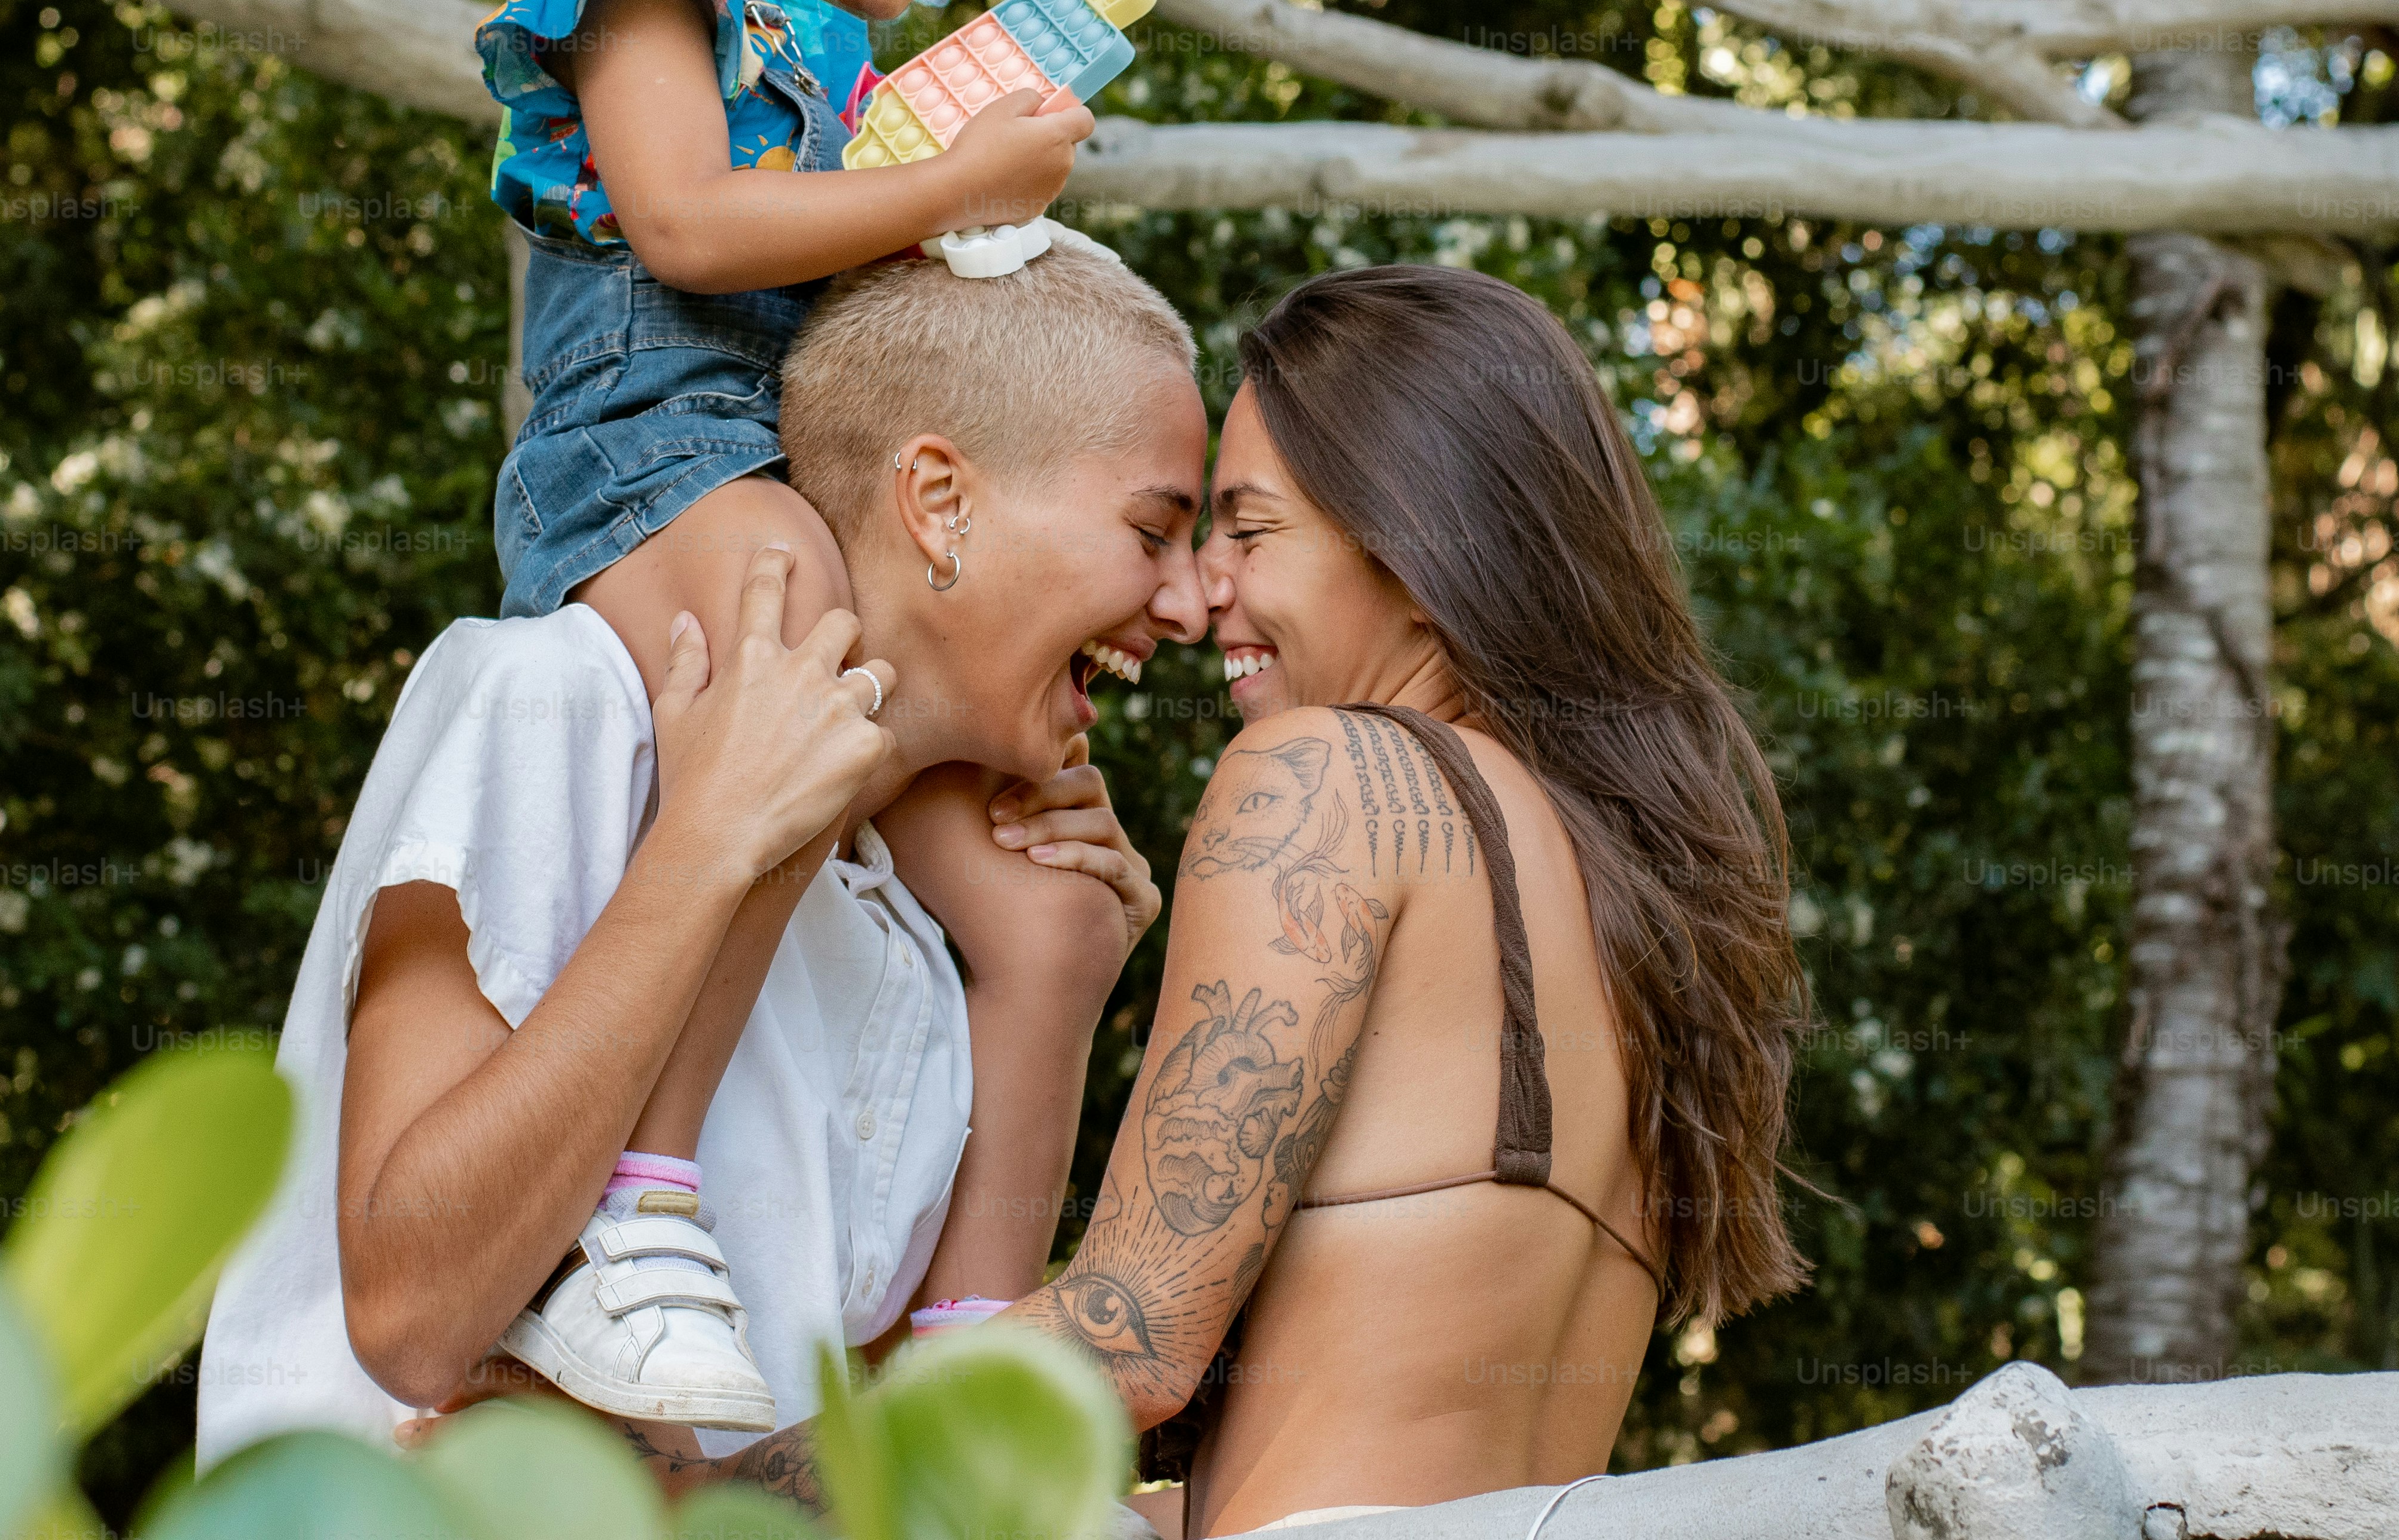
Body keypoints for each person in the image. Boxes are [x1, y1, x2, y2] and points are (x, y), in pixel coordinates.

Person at [668, 264, 1815, 1533]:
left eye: (1251, 531)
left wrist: (677, 1505)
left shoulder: (1332, 777)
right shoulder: (1631, 906)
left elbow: (1130, 1337)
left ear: (1423, 548)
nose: (1200, 587)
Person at [196, 236, 1211, 1471]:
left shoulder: (908, 937)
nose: (1190, 604)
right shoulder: (560, 706)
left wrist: (1057, 984)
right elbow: (413, 1309)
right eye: (1155, 531)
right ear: (940, 499)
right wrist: (707, 846)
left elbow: (885, 1450)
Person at [472, 0, 1128, 1428]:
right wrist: (944, 194)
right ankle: (632, 1219)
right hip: (645, 459)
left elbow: (836, 272)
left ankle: (960, 1335)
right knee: (814, 637)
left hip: (781, 467)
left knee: (1024, 865)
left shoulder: (850, 69)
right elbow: (685, 222)